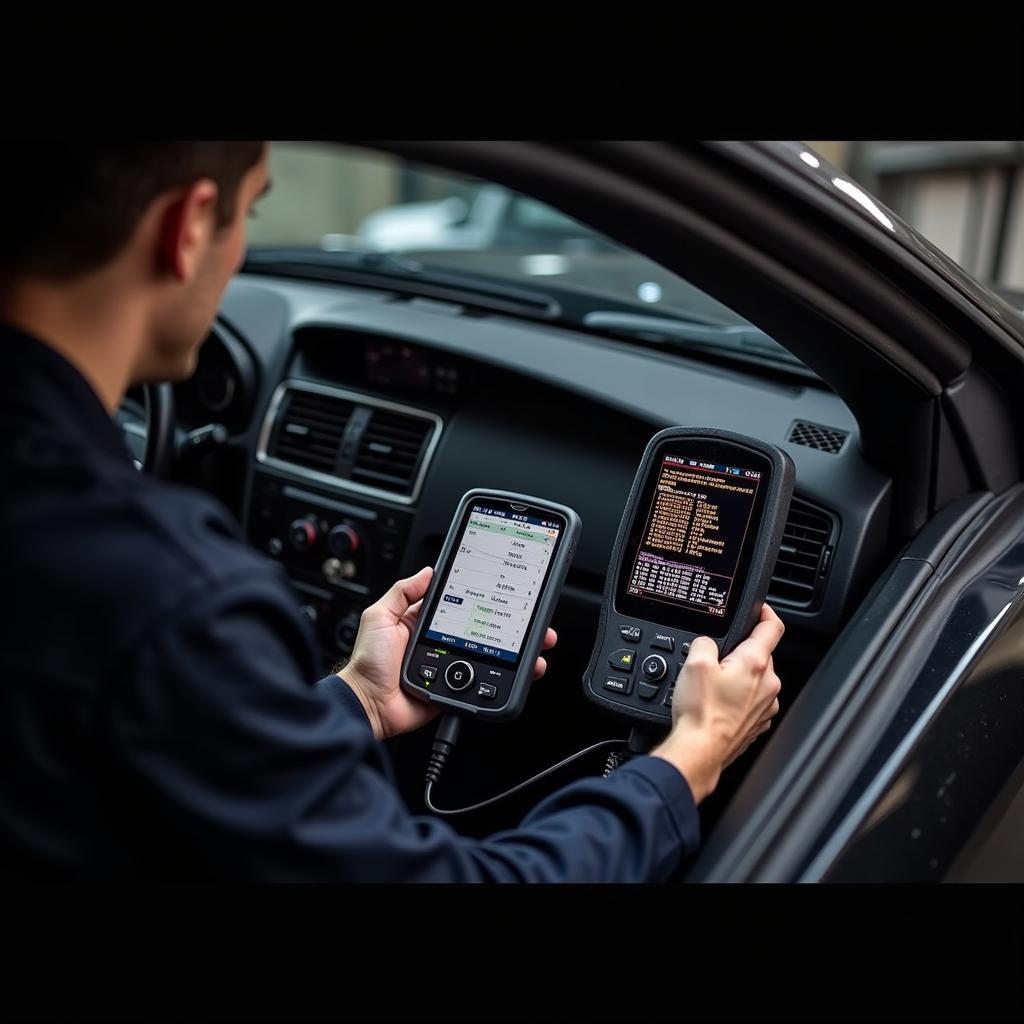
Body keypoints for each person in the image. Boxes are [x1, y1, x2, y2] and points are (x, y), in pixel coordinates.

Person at [0, 142, 783, 881]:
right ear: (189, 225)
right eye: (252, 215)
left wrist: (357, 700)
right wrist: (691, 758)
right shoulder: (171, 598)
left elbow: (180, 753)